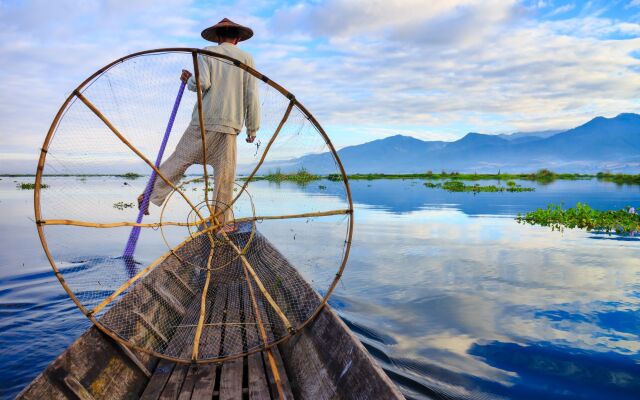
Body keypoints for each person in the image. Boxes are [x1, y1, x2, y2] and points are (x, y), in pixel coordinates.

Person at [139, 18, 260, 233]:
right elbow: (252, 94)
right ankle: (221, 223)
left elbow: (202, 83)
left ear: (218, 37)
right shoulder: (247, 58)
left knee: (180, 159)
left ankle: (149, 194)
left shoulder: (208, 52)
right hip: (230, 124)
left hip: (204, 120)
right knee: (225, 174)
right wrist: (252, 128)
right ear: (238, 39)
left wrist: (190, 80)